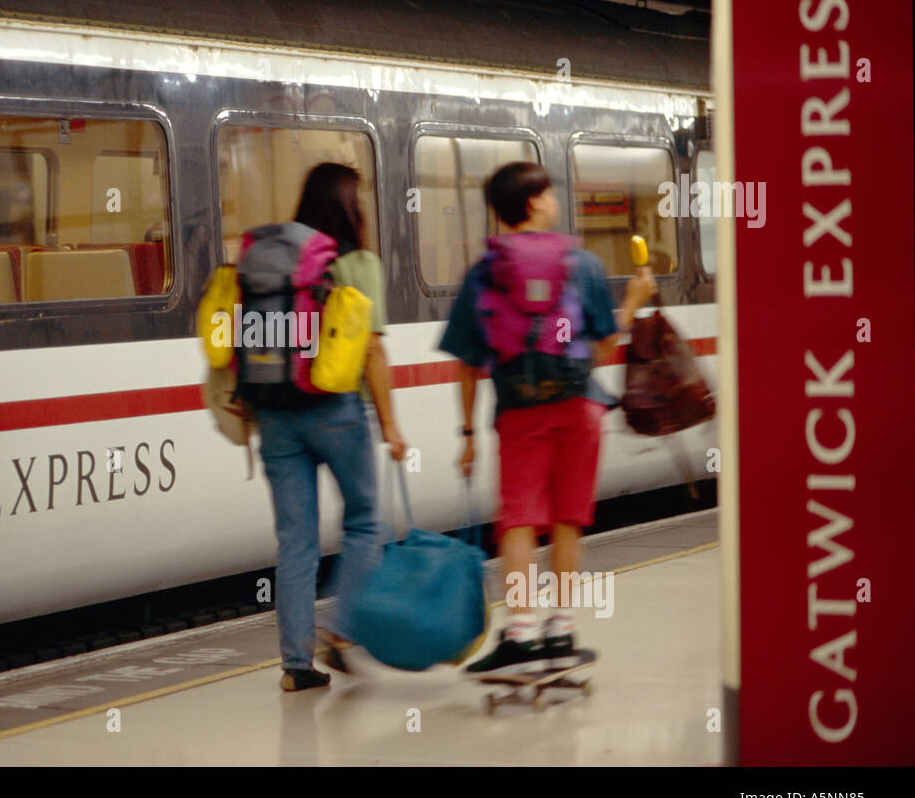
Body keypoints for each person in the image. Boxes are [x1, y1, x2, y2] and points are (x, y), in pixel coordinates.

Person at [438, 161, 655, 673]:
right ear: (534, 202)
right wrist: (632, 304)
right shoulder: (582, 264)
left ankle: (518, 632)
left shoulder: (484, 271)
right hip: (580, 408)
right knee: (566, 518)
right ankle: (561, 628)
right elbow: (601, 348)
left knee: (518, 522)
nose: (555, 201)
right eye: (550, 194)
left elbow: (468, 365)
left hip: (519, 411)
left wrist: (468, 432)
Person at [252, 162, 408, 691]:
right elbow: (372, 350)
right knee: (366, 522)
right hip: (337, 411)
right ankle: (342, 634)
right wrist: (390, 425)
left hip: (275, 414)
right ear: (350, 206)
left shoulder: (273, 257)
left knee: (295, 542)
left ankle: (296, 666)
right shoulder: (358, 262)